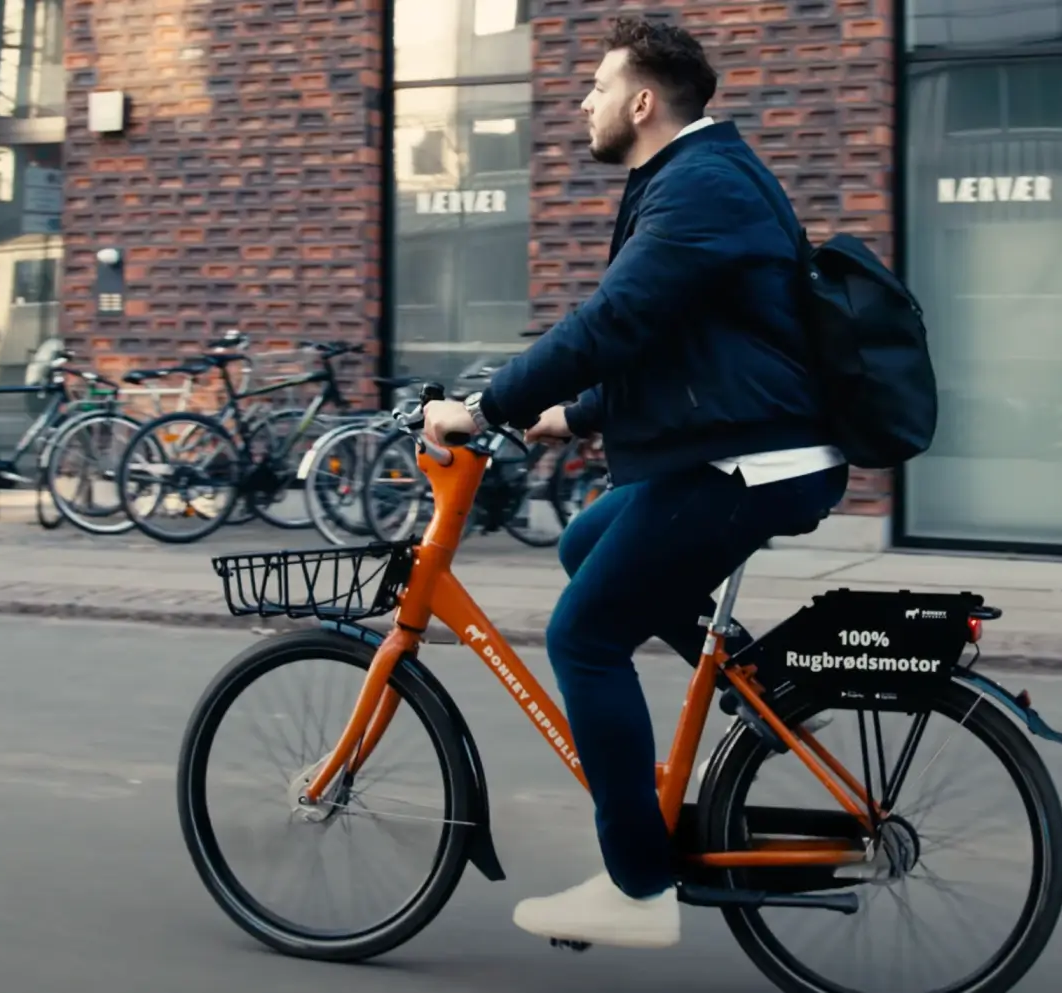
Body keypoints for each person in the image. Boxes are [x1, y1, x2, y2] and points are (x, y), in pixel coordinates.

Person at [418, 15, 848, 950]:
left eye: (597, 85)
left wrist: (487, 405)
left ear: (642, 101)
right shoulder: (695, 179)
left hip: (748, 464)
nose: (583, 101)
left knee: (583, 636)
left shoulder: (699, 185)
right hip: (736, 447)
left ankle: (637, 884)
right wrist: (566, 416)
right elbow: (679, 341)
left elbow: (615, 320)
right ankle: (748, 680)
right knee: (583, 545)